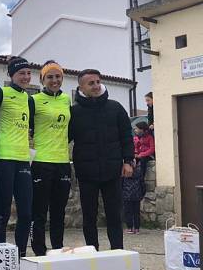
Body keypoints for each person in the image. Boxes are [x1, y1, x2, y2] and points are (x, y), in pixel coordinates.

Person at [69, 69, 134, 251]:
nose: (96, 86)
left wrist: (128, 161)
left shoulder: (115, 108)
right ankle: (92, 255)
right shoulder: (74, 112)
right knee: (89, 217)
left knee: (114, 215)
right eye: (91, 83)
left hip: (112, 171)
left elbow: (127, 137)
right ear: (81, 87)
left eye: (98, 81)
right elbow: (62, 138)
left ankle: (118, 253)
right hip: (86, 173)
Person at [0, 57, 34, 257]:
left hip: (23, 158)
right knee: (3, 211)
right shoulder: (1, 93)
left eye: (28, 73)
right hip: (3, 157)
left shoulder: (29, 99)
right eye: (21, 73)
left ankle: (21, 254)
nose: (26, 77)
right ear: (11, 75)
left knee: (26, 212)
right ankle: (0, 254)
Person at [30, 60, 72, 256]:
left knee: (59, 212)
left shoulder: (66, 100)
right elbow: (27, 129)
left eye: (57, 76)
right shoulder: (35, 100)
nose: (54, 80)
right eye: (50, 77)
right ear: (42, 79)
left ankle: (57, 251)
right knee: (39, 212)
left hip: (63, 162)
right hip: (41, 162)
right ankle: (39, 252)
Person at [122, 161, 145, 234]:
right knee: (136, 212)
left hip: (127, 195)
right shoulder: (139, 172)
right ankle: (137, 228)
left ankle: (129, 228)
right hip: (137, 195)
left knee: (128, 212)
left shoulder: (125, 173)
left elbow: (121, 184)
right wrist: (142, 194)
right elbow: (142, 184)